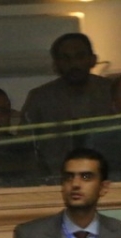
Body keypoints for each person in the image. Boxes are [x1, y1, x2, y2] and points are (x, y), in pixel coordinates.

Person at [20, 33, 112, 175]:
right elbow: (25, 147)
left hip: (107, 177)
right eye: (66, 58)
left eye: (80, 56)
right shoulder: (40, 98)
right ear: (56, 65)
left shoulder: (111, 91)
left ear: (93, 60)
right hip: (55, 179)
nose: (74, 64)